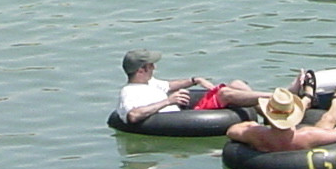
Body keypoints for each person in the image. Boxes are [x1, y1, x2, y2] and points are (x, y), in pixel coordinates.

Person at [114, 51, 271, 124]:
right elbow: (133, 115)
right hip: (182, 119)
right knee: (225, 93)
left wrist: (195, 80)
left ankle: (270, 117)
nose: (154, 67)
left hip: (186, 112)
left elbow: (170, 85)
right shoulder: (129, 92)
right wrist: (168, 102)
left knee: (237, 84)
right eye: (151, 65)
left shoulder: (149, 82)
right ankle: (274, 96)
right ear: (141, 70)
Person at [224, 79, 336, 154]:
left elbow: (231, 131)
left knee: (324, 126)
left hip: (269, 143)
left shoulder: (257, 134)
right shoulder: (308, 135)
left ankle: (307, 98)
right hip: (301, 146)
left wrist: (252, 126)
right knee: (327, 122)